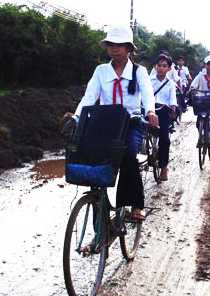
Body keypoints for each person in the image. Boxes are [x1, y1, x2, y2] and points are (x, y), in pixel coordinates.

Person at [67, 24, 158, 221]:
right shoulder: (101, 71)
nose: (114, 48)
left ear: (129, 49)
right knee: (93, 160)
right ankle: (98, 219)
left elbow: (148, 93)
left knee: (127, 159)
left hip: (130, 122)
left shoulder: (139, 71)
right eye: (110, 44)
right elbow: (89, 97)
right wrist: (76, 116)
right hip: (105, 123)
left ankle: (135, 205)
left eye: (119, 45)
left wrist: (150, 111)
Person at [150, 55, 177, 181]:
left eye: (164, 66)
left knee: (165, 140)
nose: (161, 68)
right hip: (149, 111)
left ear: (169, 69)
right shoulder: (149, 81)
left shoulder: (171, 84)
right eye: (159, 65)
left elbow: (173, 101)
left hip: (163, 112)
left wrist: (172, 113)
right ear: (155, 67)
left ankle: (164, 167)